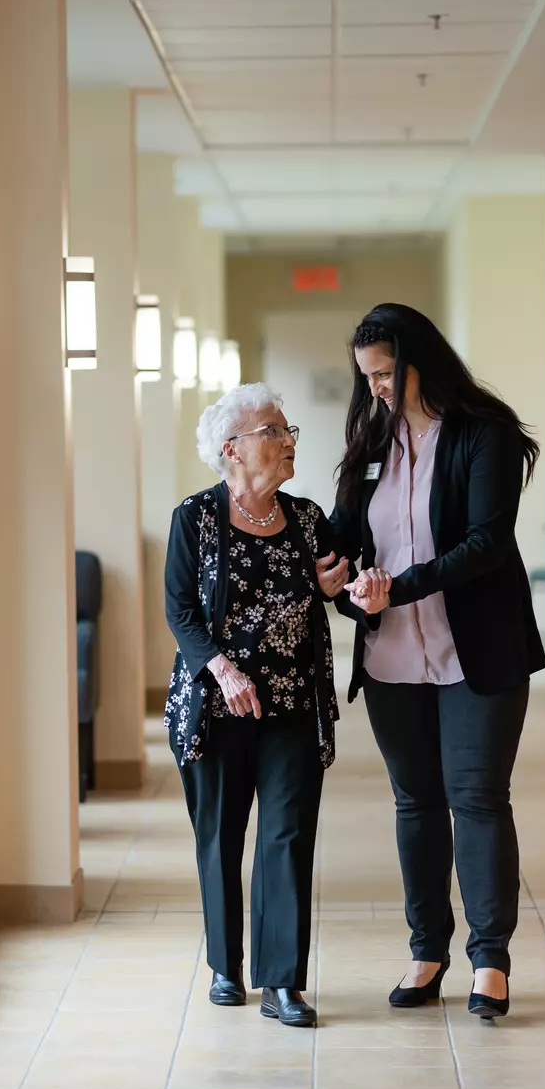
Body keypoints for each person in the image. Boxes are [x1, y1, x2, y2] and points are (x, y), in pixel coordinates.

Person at [331, 302, 545, 1022]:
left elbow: (487, 542)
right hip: (392, 654)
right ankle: (427, 951)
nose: (379, 389)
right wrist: (339, 579)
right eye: (368, 378)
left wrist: (400, 584)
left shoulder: (483, 436)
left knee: (478, 798)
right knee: (416, 803)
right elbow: (344, 537)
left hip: (477, 650)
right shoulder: (369, 442)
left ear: (422, 360)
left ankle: (491, 961)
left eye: (387, 373)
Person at [163, 382, 355, 1028]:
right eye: (274, 430)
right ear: (232, 449)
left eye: (287, 428)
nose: (288, 439)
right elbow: (181, 612)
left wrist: (339, 587)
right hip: (218, 705)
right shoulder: (195, 517)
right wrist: (222, 672)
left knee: (286, 835)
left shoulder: (305, 518)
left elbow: (335, 589)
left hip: (293, 701)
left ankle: (282, 982)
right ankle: (225, 964)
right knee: (220, 836)